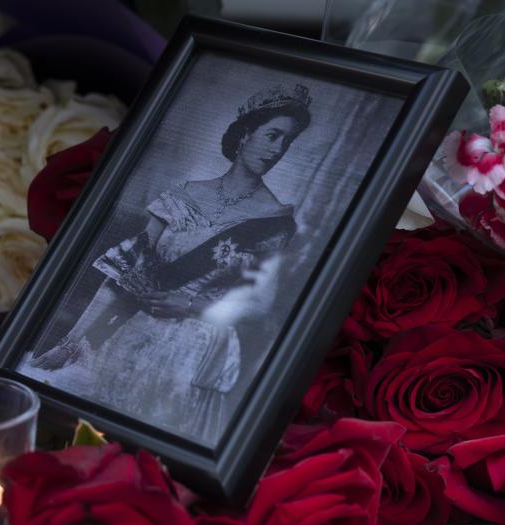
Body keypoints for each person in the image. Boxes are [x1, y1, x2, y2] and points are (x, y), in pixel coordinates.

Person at [23, 84, 312, 444]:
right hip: (130, 338)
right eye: (273, 135)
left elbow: (263, 305)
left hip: (196, 350)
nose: (278, 149)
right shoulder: (182, 196)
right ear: (246, 133)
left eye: (288, 141)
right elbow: (125, 278)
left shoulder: (276, 220)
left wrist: (193, 305)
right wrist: (71, 343)